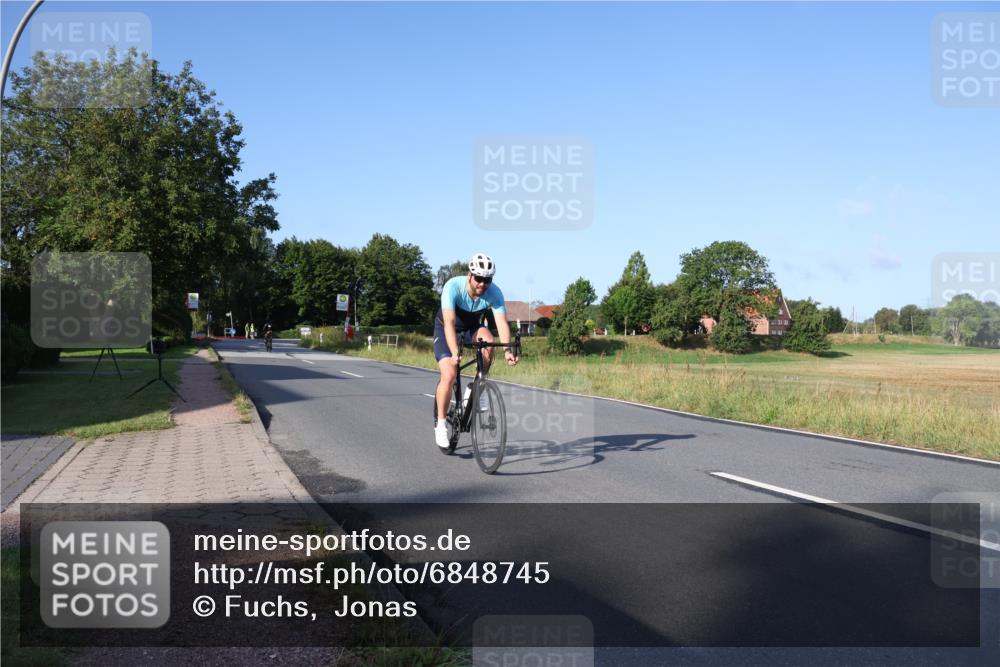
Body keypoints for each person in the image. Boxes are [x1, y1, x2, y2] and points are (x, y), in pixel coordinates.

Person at [433, 253, 518, 450]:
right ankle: (441, 424)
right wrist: (455, 352)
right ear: (469, 275)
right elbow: (450, 323)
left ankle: (476, 386)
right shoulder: (452, 287)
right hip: (447, 328)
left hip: (472, 328)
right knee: (449, 374)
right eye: (478, 278)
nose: (482, 284)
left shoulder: (494, 293)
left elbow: (502, 323)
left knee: (489, 340)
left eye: (487, 280)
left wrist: (507, 351)